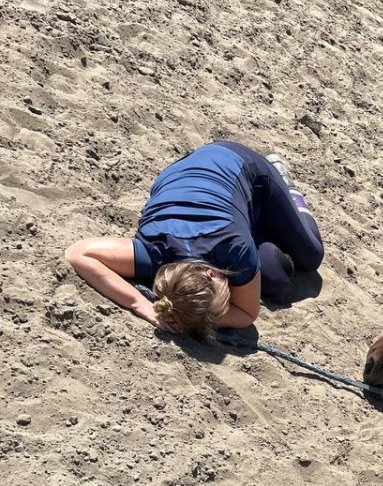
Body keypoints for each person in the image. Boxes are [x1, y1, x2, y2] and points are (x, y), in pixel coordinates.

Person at [65, 141, 324, 341]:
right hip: (189, 179)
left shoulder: (228, 250)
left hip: (238, 164)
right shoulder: (153, 255)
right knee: (275, 275)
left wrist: (185, 315)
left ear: (211, 274)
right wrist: (143, 305)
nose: (227, 302)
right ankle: (253, 221)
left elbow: (246, 314)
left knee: (310, 254)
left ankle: (281, 177)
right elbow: (80, 254)